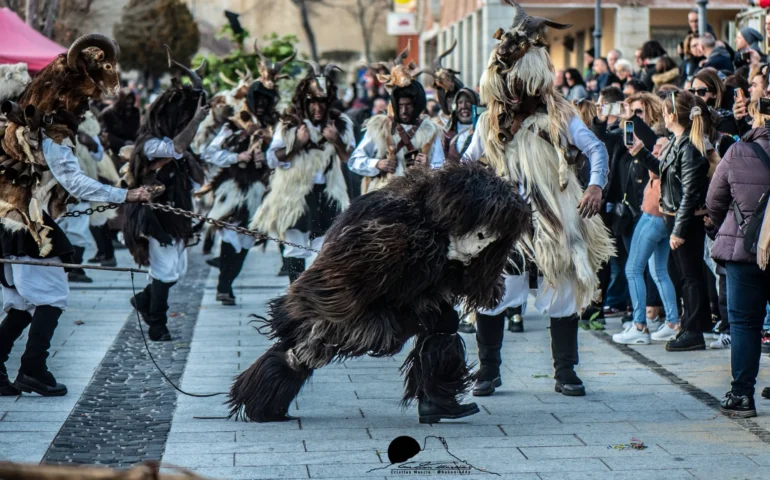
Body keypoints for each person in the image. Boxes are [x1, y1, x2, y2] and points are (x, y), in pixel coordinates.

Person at [228, 164, 529, 423]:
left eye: (489, 241)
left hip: (405, 296)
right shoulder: (394, 229)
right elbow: (336, 280)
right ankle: (261, 400)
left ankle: (435, 400)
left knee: (444, 321)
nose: (479, 247)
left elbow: (460, 279)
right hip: (360, 304)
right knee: (309, 347)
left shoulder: (447, 235)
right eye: (478, 236)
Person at [463, 3, 613, 398]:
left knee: (562, 291)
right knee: (494, 292)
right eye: (507, 87)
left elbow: (597, 149)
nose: (514, 96)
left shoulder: (562, 115)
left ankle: (566, 373)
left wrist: (596, 186)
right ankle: (487, 372)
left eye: (520, 87)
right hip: (503, 223)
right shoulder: (489, 122)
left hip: (554, 221)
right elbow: (464, 164)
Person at [0, 34, 151, 397]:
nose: (88, 106)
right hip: (21, 218)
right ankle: (34, 370)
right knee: (51, 296)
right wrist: (126, 194)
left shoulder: (31, 115)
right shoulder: (52, 127)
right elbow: (74, 180)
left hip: (11, 213)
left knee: (24, 301)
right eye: (86, 98)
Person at [125, 49, 210, 343]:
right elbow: (173, 147)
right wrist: (196, 121)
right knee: (163, 270)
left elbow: (200, 177)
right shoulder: (149, 145)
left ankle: (143, 300)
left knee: (175, 272)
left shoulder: (181, 148)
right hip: (153, 218)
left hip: (177, 218)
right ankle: (157, 325)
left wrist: (190, 158)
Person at [250, 61, 354, 283]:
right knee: (294, 249)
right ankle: (294, 302)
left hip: (327, 193)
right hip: (294, 195)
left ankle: (315, 301)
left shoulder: (340, 123)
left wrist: (336, 141)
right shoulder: (289, 123)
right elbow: (272, 159)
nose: (318, 108)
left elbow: (351, 160)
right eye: (313, 102)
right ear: (305, 101)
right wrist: (296, 144)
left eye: (322, 102)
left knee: (323, 250)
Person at [630, 90, 712, 351]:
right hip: (674, 218)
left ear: (674, 115)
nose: (663, 117)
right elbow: (667, 175)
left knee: (690, 278)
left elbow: (690, 194)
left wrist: (678, 230)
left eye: (665, 112)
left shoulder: (689, 146)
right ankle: (690, 326)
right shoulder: (679, 141)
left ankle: (694, 331)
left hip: (683, 222)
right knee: (683, 277)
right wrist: (641, 153)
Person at [707, 98, 770, 418]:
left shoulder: (738, 152)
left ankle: (742, 395)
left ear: (759, 117)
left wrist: (733, 228)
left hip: (745, 250)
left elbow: (713, 202)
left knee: (745, 323)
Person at [200, 72, 284, 306]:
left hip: (262, 189)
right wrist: (239, 155)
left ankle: (226, 282)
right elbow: (210, 152)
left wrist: (266, 154)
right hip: (234, 188)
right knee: (229, 234)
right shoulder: (234, 124)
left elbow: (282, 154)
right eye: (258, 99)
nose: (262, 105)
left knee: (248, 239)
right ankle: (224, 287)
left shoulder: (276, 126)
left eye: (267, 100)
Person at [349, 48, 444, 194]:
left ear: (416, 105)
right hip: (383, 196)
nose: (404, 111)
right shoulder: (380, 127)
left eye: (409, 106)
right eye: (400, 106)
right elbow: (354, 161)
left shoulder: (430, 130)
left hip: (417, 196)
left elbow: (441, 168)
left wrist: (428, 165)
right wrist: (378, 163)